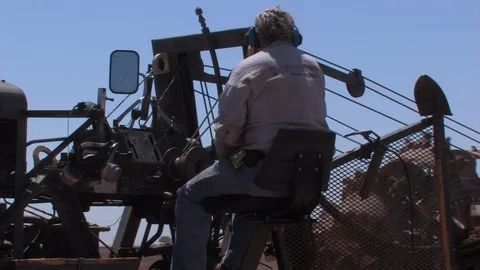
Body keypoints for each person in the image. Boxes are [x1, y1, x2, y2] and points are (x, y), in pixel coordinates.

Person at [170, 6, 329, 270]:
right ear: (294, 36)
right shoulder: (314, 68)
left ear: (254, 38)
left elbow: (226, 132)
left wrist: (227, 156)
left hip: (260, 177)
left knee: (188, 196)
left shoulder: (248, 67)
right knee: (249, 209)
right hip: (305, 184)